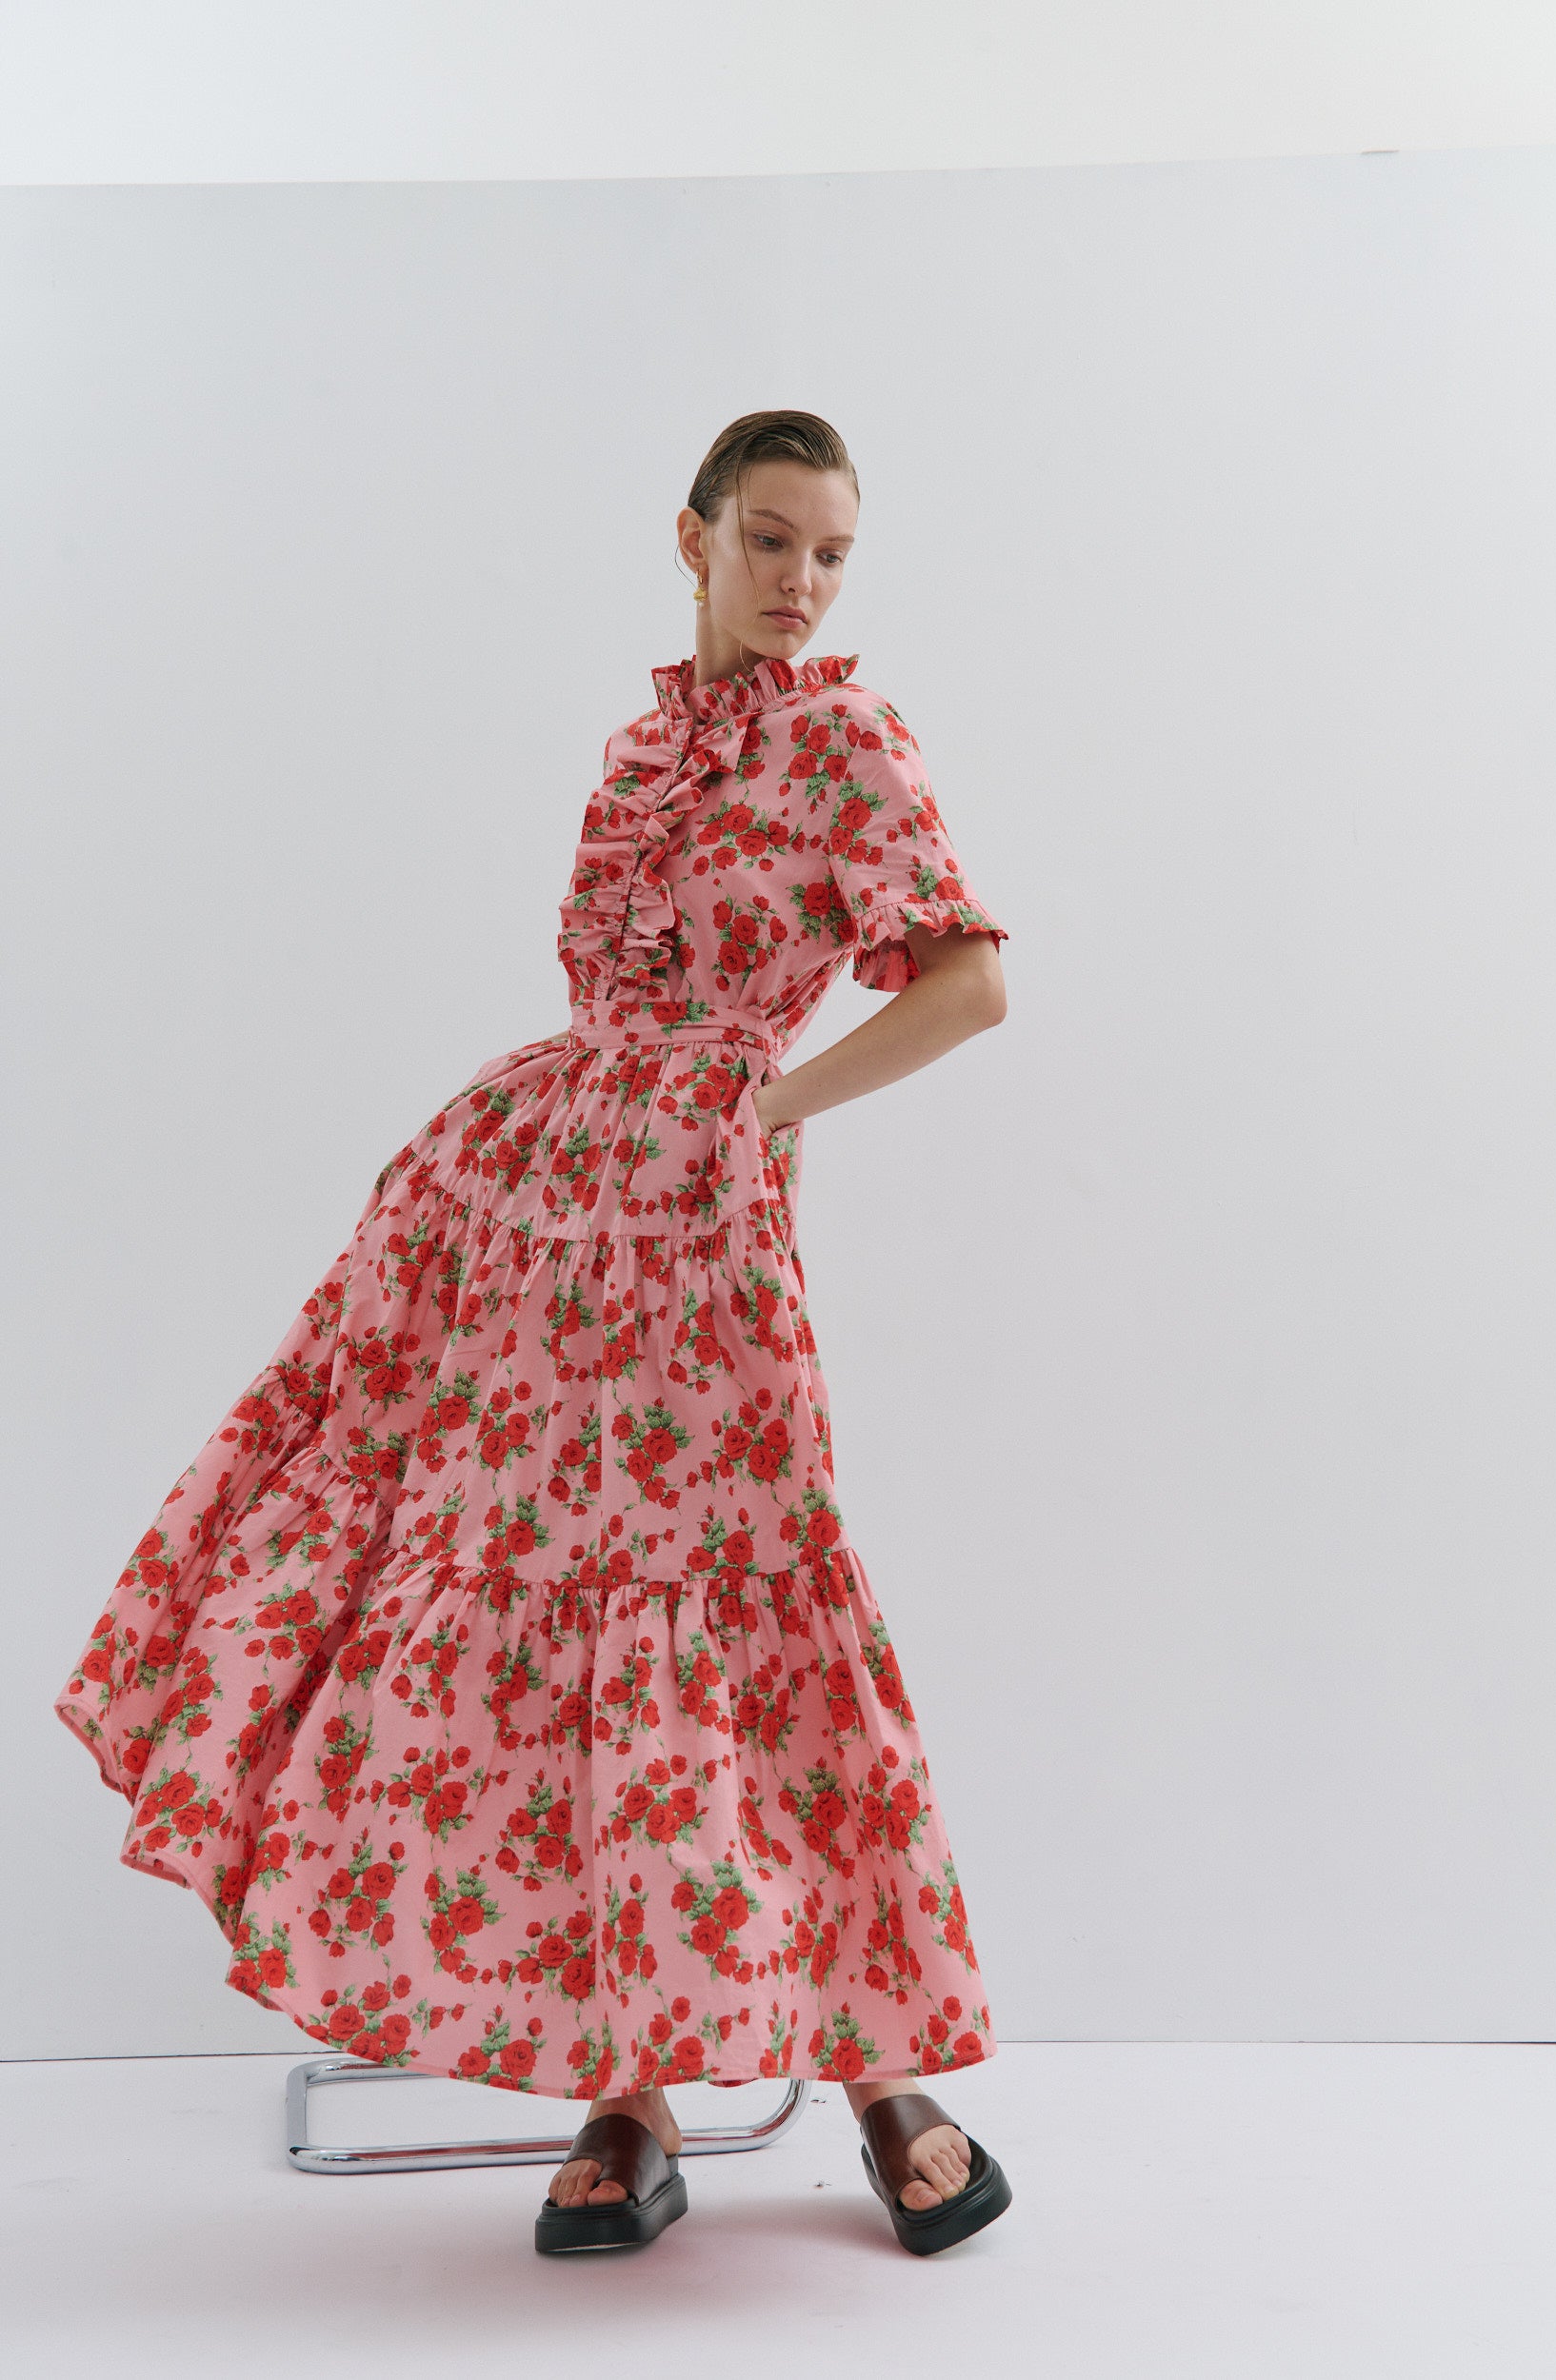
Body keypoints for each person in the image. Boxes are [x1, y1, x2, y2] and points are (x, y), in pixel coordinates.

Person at [55, 407, 1014, 2257]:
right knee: (538, 1599)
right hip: (528, 1197)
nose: (801, 580)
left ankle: (892, 2075)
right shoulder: (641, 747)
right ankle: (628, 2093)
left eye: (830, 551)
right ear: (694, 537)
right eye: (769, 541)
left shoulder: (847, 737)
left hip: (699, 1220)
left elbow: (970, 984)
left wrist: (769, 1106)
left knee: (755, 1596)